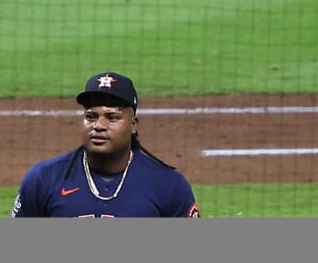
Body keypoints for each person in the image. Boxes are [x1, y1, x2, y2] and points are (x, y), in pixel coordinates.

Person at [12, 72, 199, 217]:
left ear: (133, 124)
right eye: (90, 117)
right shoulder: (43, 179)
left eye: (112, 117)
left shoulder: (168, 185)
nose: (99, 125)